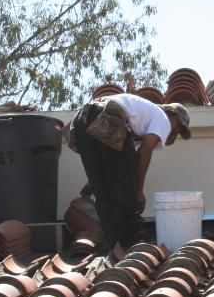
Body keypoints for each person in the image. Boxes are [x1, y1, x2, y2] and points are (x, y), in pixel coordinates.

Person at [70, 93, 191, 252]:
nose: (175, 131)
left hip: (81, 120)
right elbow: (144, 152)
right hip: (108, 114)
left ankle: (113, 246)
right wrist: (138, 191)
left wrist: (93, 182)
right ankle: (129, 246)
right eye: (179, 128)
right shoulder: (163, 118)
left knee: (102, 192)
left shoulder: (139, 119)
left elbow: (114, 161)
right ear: (173, 114)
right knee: (126, 189)